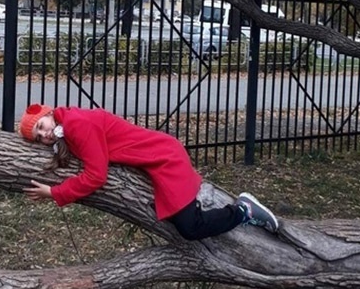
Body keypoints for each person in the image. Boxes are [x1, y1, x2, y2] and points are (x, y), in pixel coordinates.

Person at [18, 103, 280, 240]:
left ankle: (244, 210)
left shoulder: (77, 124)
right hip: (156, 162)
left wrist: (55, 192)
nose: (44, 134)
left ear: (50, 114)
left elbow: (96, 176)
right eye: (38, 136)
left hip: (164, 159)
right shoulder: (69, 124)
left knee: (190, 228)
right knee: (184, 223)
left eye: (41, 125)